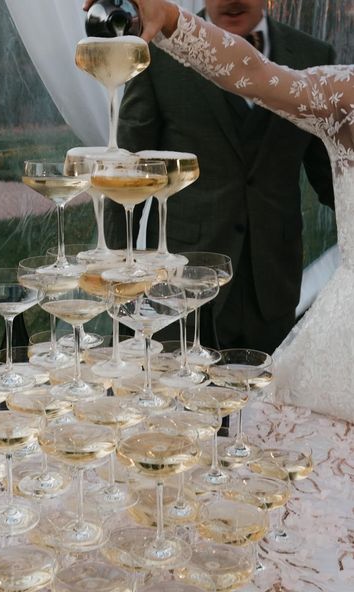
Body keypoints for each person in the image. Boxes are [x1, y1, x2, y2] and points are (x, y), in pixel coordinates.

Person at [83, 0, 354, 422]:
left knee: (266, 427)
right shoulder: (159, 53)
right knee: (179, 420)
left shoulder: (312, 53)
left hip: (272, 281)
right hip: (181, 280)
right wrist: (121, 282)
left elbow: (330, 179)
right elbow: (128, 169)